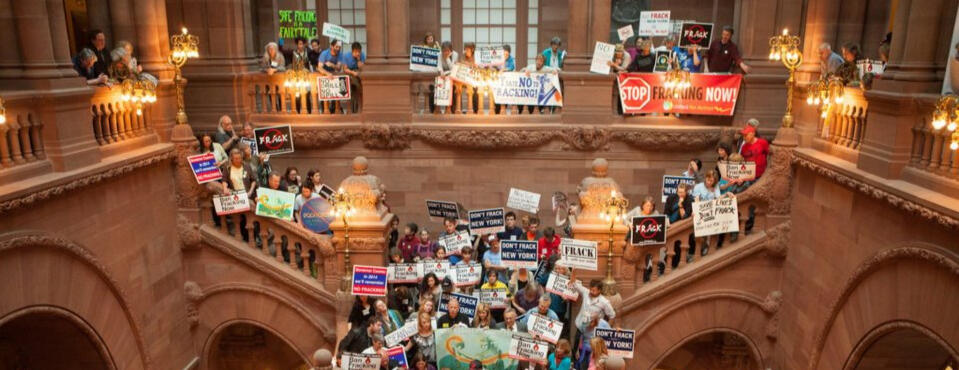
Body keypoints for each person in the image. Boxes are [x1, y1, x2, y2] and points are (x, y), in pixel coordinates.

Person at [219, 148, 257, 241]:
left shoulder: (247, 166)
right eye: (236, 158)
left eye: (240, 158)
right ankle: (244, 239)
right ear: (232, 159)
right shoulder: (227, 168)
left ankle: (252, 238)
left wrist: (250, 192)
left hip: (248, 195)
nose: (238, 160)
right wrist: (224, 188)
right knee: (240, 220)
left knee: (251, 219)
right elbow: (224, 180)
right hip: (237, 197)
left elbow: (253, 180)